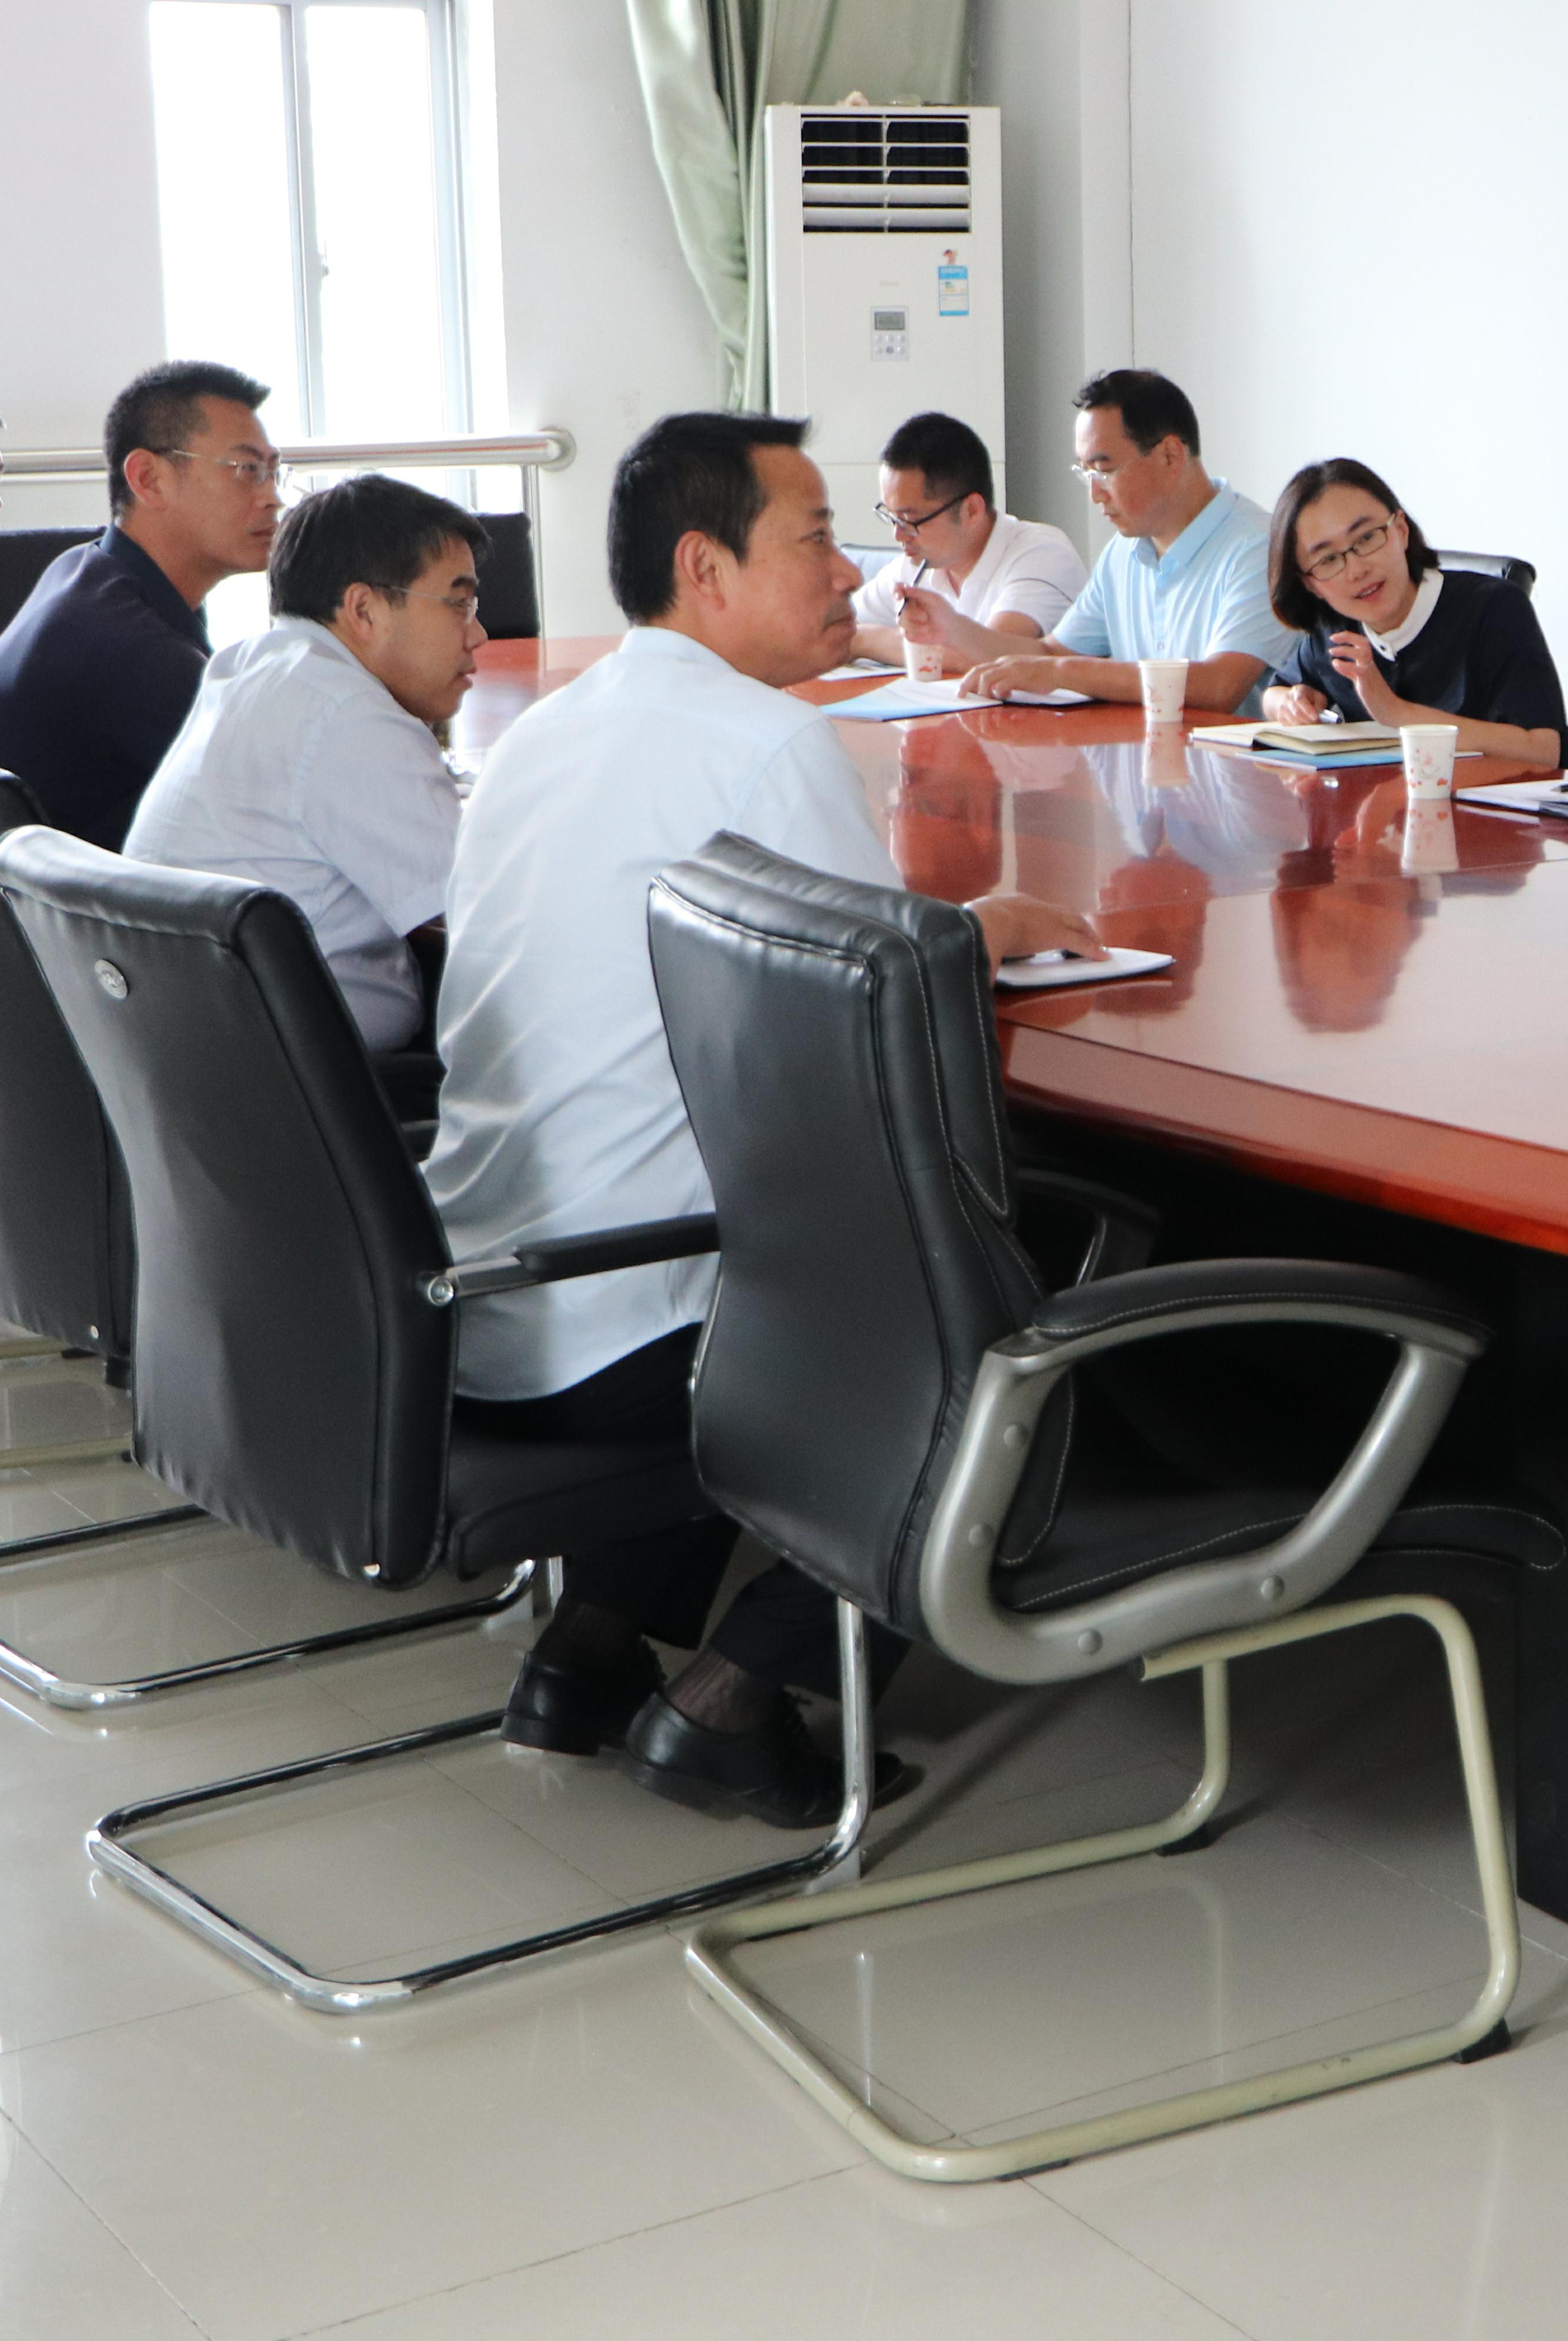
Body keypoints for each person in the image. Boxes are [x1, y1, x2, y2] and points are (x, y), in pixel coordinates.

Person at [420, 410, 1100, 1825]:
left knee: (770, 1234)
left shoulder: (548, 729)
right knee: (970, 1330)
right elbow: (879, 1043)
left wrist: (943, 929)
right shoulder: (762, 742)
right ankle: (730, 1700)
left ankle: (586, 1651)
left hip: (485, 1291)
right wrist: (976, 934)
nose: (851, 571)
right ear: (704, 567)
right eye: (815, 539)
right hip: (630, 1314)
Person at [123, 475, 481, 1089]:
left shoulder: (251, 666)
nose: (477, 634)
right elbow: (486, 909)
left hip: (190, 1067)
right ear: (363, 610)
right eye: (458, 604)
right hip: (306, 1091)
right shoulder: (350, 716)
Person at [0, 361, 281, 844]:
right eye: (247, 470)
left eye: (273, 472)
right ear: (148, 478)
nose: (272, 498)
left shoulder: (86, 569)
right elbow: (288, 803)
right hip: (28, 893)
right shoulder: (129, 647)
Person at [961, 369, 1292, 714]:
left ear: (1170, 456)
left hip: (1226, 750)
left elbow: (1219, 686)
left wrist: (1063, 673)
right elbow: (1051, 653)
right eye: (1086, 473)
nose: (1095, 494)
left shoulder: (1260, 547)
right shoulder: (1123, 552)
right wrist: (950, 630)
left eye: (1104, 471)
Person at [1257, 458, 1568, 768]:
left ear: (1401, 530)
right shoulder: (1335, 630)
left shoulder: (1494, 608)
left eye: (1367, 538)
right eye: (1328, 560)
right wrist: (1293, 703)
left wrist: (1394, 712)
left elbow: (1543, 750)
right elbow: (1274, 694)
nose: (1357, 570)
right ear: (1310, 584)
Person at [843, 409, 1085, 673]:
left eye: (910, 520)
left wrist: (864, 640)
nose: (898, 535)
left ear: (971, 510)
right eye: (892, 517)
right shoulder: (918, 563)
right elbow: (837, 630)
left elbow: (996, 660)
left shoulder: (1042, 553)